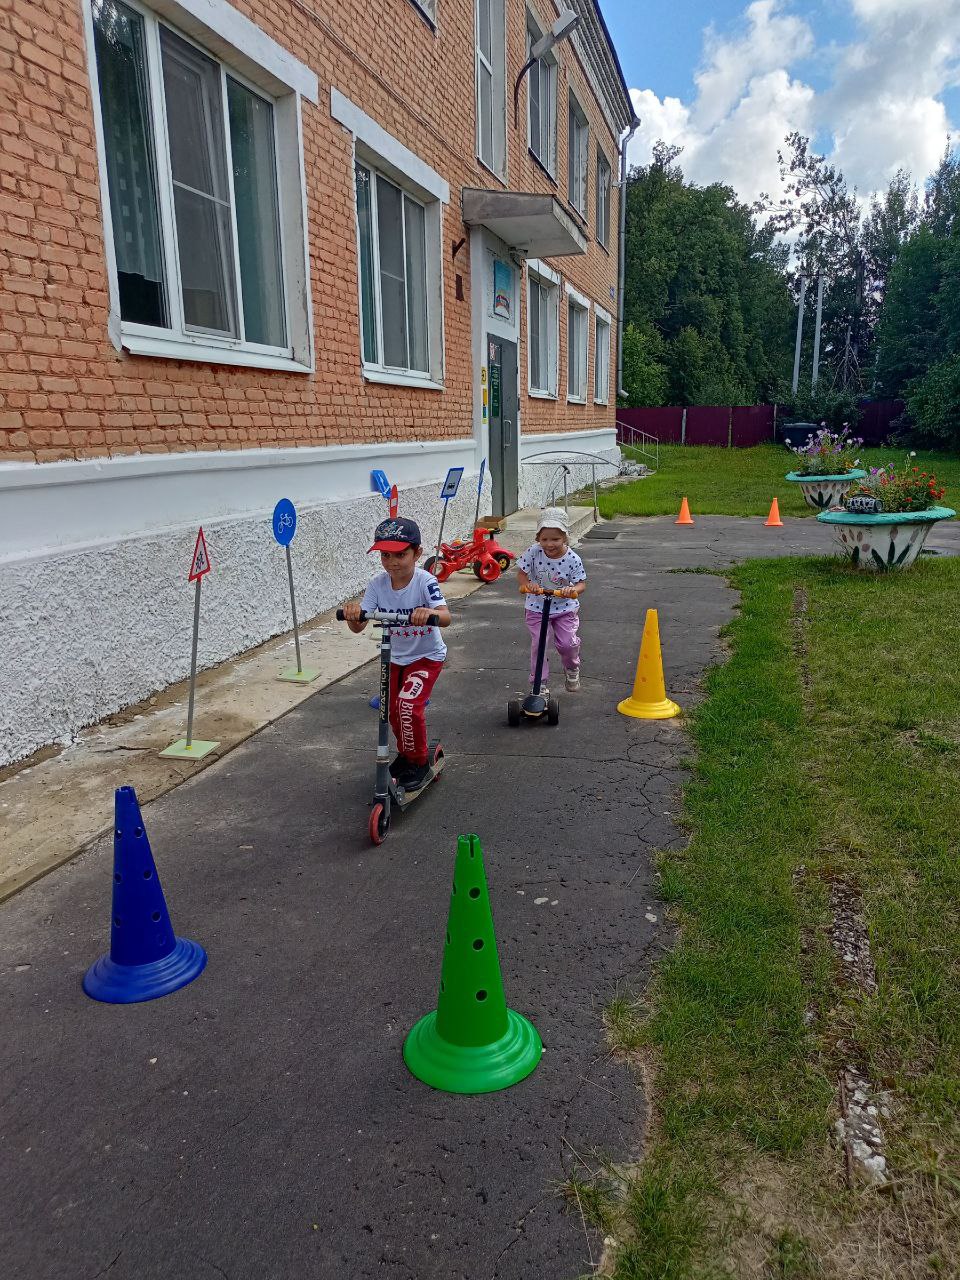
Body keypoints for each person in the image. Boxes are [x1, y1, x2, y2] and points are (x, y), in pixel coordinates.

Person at [341, 516, 451, 791]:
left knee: (408, 706)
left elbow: (446, 617)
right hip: (394, 658)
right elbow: (359, 625)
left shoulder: (425, 581)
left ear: (417, 553)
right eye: (385, 555)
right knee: (391, 709)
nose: (392, 562)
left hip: (426, 657)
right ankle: (406, 755)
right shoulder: (377, 585)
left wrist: (429, 612)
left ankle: (419, 762)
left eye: (400, 554)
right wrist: (354, 614)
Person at [516, 507, 586, 693]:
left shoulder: (572, 558)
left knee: (567, 644)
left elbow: (581, 584)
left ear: (565, 538)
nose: (549, 544)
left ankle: (572, 667)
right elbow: (522, 574)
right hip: (536, 607)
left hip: (564, 608)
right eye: (544, 539)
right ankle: (539, 684)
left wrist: (572, 590)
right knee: (538, 644)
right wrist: (527, 585)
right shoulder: (534, 552)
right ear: (538, 538)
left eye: (555, 539)